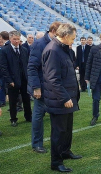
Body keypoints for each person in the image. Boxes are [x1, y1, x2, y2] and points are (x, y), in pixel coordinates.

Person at [42, 23, 82, 172]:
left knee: (67, 129)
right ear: (65, 36)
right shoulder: (53, 50)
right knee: (58, 132)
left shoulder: (63, 49)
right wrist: (65, 98)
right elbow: (53, 79)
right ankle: (56, 162)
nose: (74, 41)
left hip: (68, 99)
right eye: (72, 38)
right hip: (59, 101)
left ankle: (65, 152)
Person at [27, 21, 61, 153]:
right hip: (41, 88)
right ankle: (37, 144)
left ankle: (56, 141)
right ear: (53, 32)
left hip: (53, 87)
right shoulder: (39, 44)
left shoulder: (57, 44)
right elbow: (32, 67)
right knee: (38, 115)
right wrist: (36, 87)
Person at [0, 31, 32, 127]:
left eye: (18, 39)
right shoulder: (4, 50)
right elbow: (3, 67)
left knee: (26, 99)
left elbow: (27, 65)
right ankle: (13, 119)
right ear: (10, 39)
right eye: (14, 39)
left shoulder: (24, 50)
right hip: (12, 81)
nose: (17, 41)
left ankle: (28, 116)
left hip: (24, 79)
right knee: (13, 101)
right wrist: (9, 80)